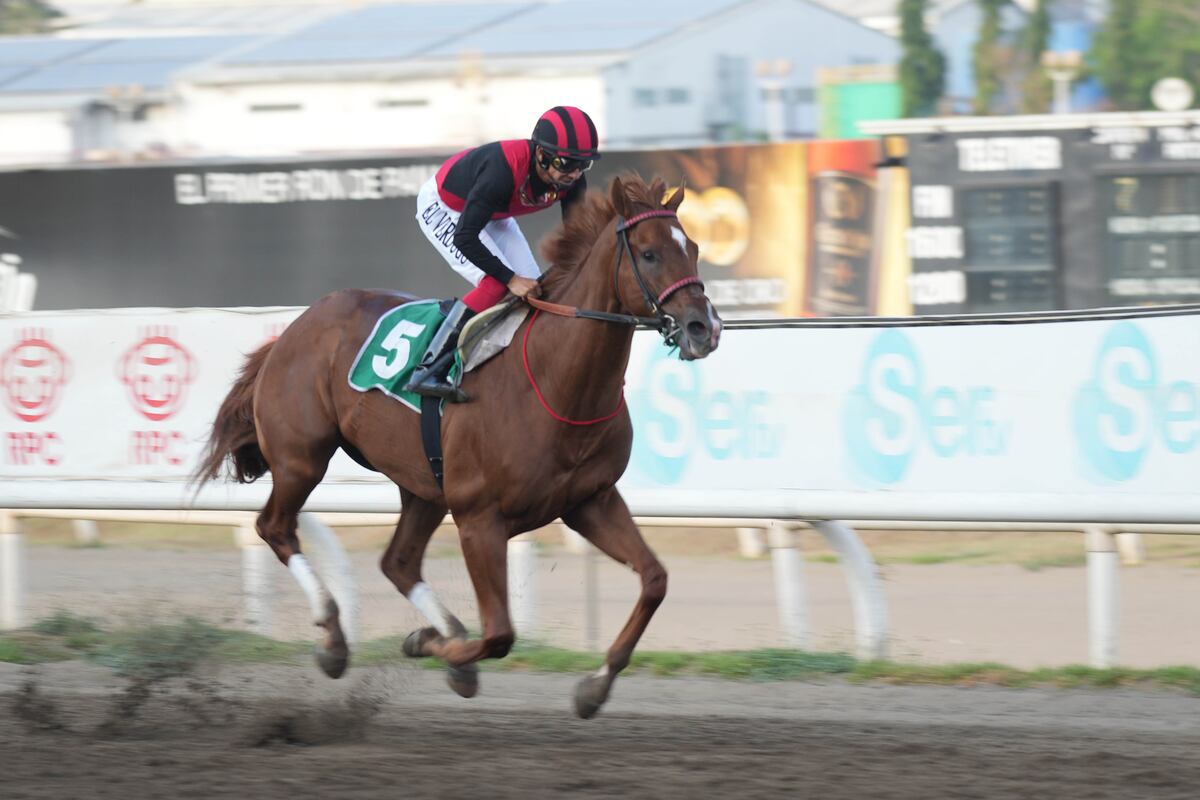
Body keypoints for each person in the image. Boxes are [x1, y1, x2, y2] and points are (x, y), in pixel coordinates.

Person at [404, 105, 601, 402]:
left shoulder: (571, 179)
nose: (574, 174)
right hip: (445, 206)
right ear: (540, 155)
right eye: (566, 163)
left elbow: (579, 242)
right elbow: (465, 237)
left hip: (493, 211)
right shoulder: (501, 171)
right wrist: (510, 278)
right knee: (496, 284)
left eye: (583, 165)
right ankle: (428, 368)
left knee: (538, 293)